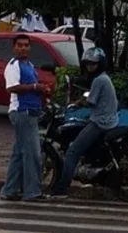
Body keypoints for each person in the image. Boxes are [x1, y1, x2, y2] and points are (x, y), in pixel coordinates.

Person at [49, 47, 118, 199]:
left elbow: (90, 101)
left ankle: (61, 189)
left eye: (93, 64)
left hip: (100, 122)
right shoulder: (105, 78)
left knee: (72, 152)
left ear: (100, 64)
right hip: (109, 120)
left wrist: (76, 103)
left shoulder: (99, 80)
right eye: (88, 64)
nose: (90, 67)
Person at [1, 34, 49, 202]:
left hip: (31, 111)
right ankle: (32, 191)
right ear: (14, 47)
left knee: (20, 153)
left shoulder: (29, 65)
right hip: (22, 111)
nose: (23, 48)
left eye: (26, 45)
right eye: (19, 45)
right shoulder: (13, 66)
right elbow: (11, 88)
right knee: (32, 153)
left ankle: (10, 189)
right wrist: (35, 87)